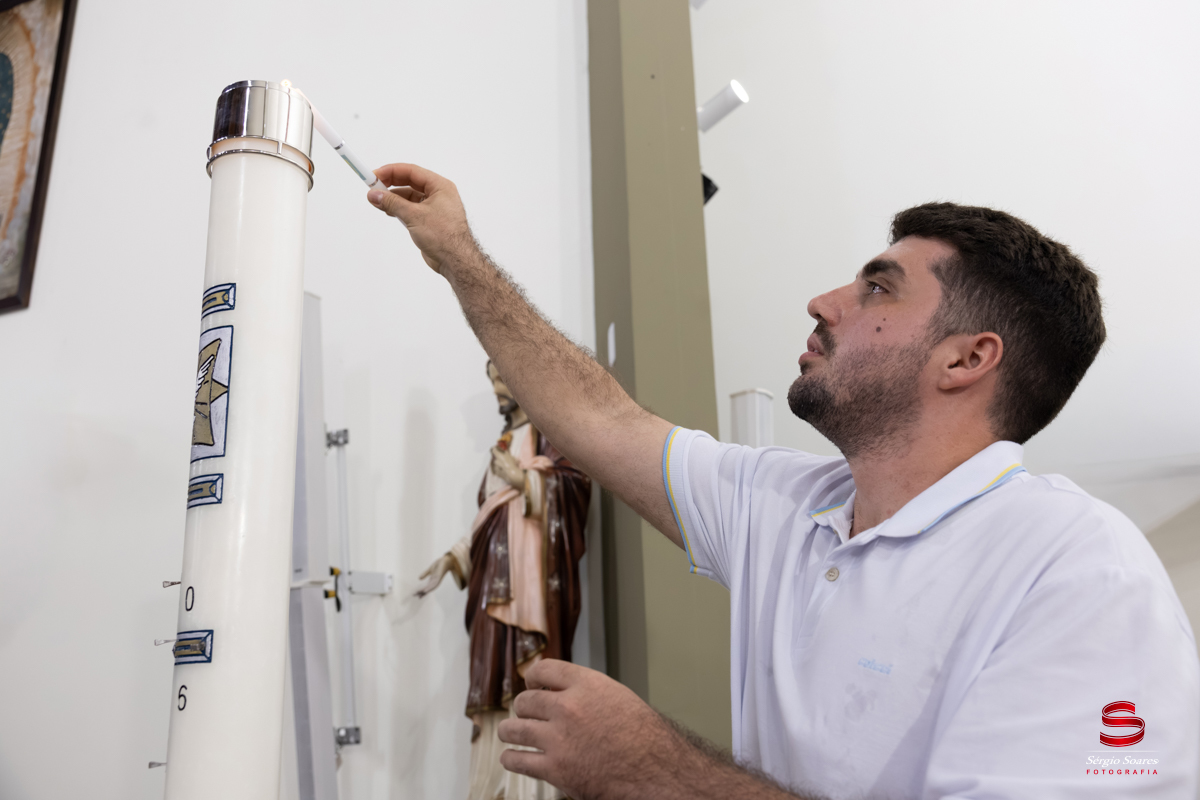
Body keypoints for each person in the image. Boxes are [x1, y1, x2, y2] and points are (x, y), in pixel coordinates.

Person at [367, 164, 1200, 799]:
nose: (823, 302)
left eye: (877, 288)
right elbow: (600, 420)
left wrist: (652, 770)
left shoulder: (1080, 570)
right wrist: (460, 256)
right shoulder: (788, 506)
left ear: (966, 359)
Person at [415, 361, 591, 800]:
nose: (496, 386)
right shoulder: (503, 445)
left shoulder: (552, 436)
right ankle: (491, 787)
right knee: (495, 682)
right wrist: (454, 558)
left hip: (531, 596)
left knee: (530, 686)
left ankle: (530, 791)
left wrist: (525, 480)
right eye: (491, 377)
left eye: (502, 376)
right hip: (492, 591)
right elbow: (489, 520)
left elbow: (575, 489)